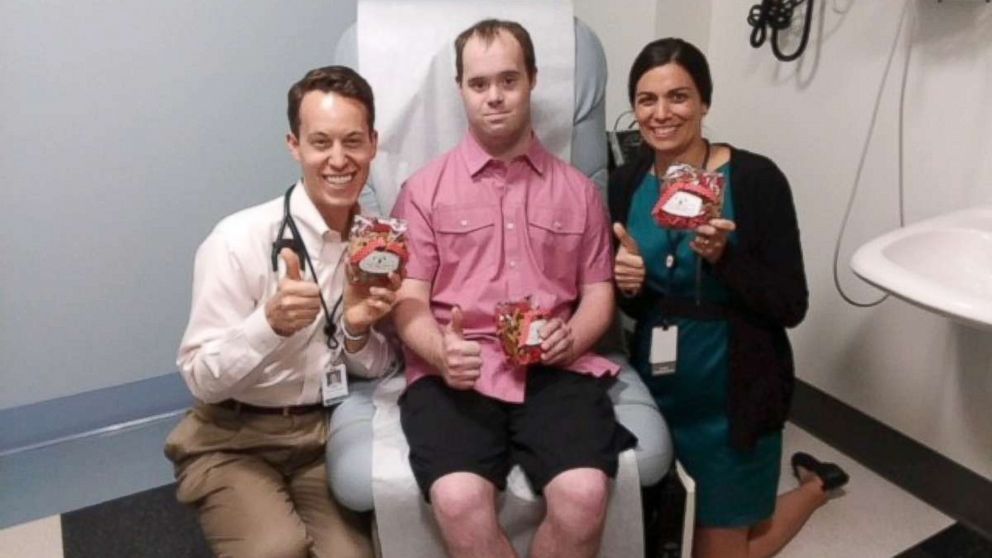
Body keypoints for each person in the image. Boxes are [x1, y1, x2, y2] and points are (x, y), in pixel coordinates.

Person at [390, 19, 637, 558]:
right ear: (461, 89)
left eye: (508, 79)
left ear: (532, 81)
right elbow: (408, 298)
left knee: (583, 494)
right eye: (479, 84)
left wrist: (572, 337)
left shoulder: (579, 193)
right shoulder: (425, 191)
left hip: (555, 369)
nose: (494, 97)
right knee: (456, 499)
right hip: (455, 372)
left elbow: (598, 293)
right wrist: (439, 348)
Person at [609, 38, 849, 558]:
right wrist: (627, 284)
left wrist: (725, 257)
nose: (662, 113)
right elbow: (642, 302)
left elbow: (791, 304)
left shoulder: (755, 179)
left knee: (716, 553)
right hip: (660, 385)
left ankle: (814, 488)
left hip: (735, 391)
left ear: (705, 103)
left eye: (679, 96)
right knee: (663, 527)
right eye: (647, 99)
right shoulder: (628, 181)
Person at [164, 66, 399, 558]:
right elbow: (200, 379)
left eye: (353, 141)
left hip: (318, 434)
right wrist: (267, 326)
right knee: (278, 549)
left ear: (373, 144)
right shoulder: (238, 240)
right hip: (230, 437)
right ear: (295, 145)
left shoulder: (378, 244)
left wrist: (356, 331)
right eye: (321, 142)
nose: (339, 159)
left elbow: (382, 367)